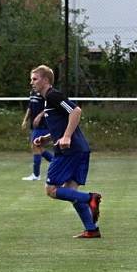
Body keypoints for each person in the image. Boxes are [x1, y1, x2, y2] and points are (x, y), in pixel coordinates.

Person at [30, 65, 103, 239]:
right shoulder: (48, 101)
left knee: (51, 189)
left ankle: (90, 198)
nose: (31, 82)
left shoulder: (53, 95)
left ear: (45, 80)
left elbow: (76, 111)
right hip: (78, 149)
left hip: (70, 151)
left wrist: (67, 137)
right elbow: (61, 125)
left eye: (35, 79)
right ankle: (91, 229)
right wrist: (47, 138)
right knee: (71, 190)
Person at [21, 88, 54, 180]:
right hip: (35, 125)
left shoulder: (46, 93)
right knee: (36, 147)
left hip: (44, 124)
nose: (32, 82)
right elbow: (30, 107)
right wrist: (25, 120)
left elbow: (50, 107)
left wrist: (40, 115)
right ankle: (56, 162)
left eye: (35, 79)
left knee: (36, 145)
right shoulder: (32, 92)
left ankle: (36, 175)